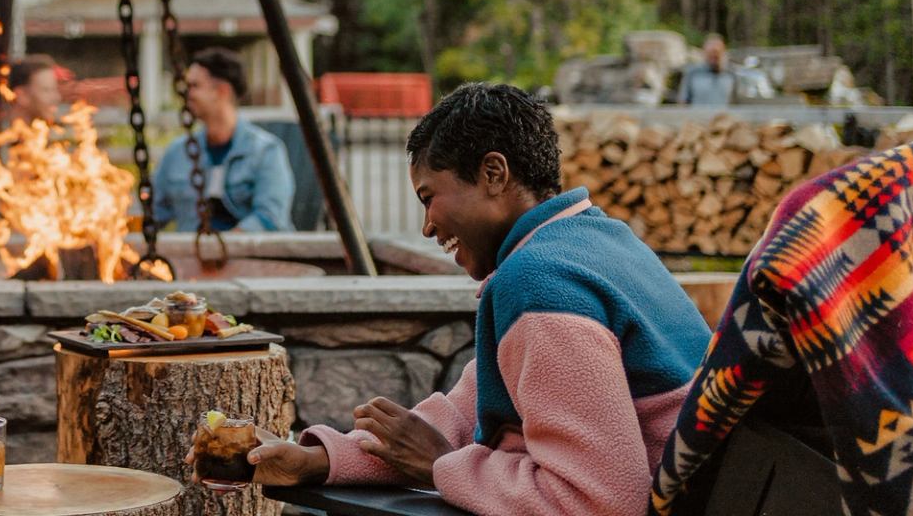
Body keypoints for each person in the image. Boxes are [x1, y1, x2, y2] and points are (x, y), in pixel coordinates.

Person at [248, 82, 710, 516]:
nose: (427, 226)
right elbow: (462, 411)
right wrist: (315, 459)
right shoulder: (595, 242)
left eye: (429, 197)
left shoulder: (540, 284)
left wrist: (440, 466)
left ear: (493, 173)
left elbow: (600, 499)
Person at [152, 48, 295, 232]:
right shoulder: (177, 153)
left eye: (195, 86)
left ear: (222, 91)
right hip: (191, 258)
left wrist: (221, 247)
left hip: (251, 258)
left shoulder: (266, 151)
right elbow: (154, 213)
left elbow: (270, 217)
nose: (187, 94)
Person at [0, 54, 65, 128]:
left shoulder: (40, 136)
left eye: (55, 90)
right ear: (22, 96)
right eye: (46, 90)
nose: (57, 97)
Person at [676, 34, 739, 106]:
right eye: (710, 53)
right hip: (697, 116)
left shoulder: (731, 74)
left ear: (723, 52)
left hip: (722, 116)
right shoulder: (692, 73)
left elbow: (735, 103)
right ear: (704, 52)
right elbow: (682, 102)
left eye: (717, 53)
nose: (714, 57)